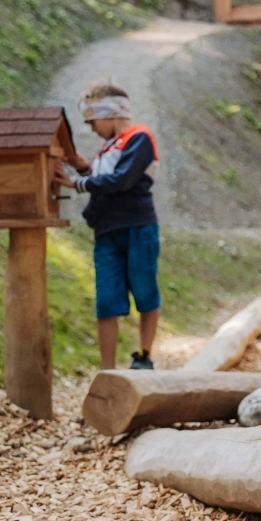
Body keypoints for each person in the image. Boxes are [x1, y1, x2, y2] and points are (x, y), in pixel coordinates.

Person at [54, 82, 161, 371]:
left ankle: (144, 356)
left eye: (93, 121)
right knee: (106, 300)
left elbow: (121, 181)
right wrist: (82, 168)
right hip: (106, 231)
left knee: (145, 291)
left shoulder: (139, 138)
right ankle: (107, 370)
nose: (91, 129)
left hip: (138, 226)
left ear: (111, 113)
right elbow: (102, 180)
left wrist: (76, 183)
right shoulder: (105, 149)